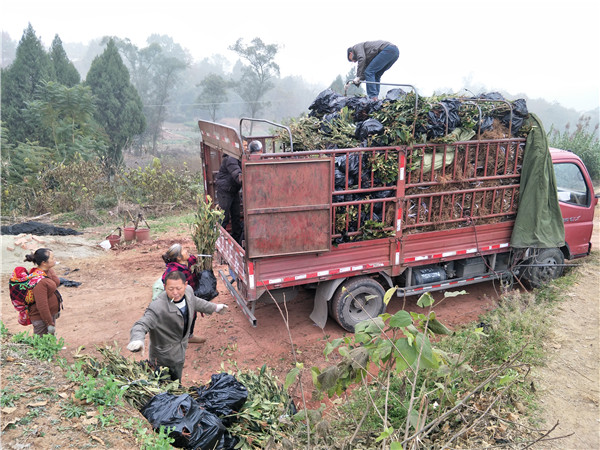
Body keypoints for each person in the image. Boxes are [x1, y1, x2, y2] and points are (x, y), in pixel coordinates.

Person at [127, 271, 228, 383]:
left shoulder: (188, 291)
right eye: (170, 289)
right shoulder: (157, 307)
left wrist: (214, 307)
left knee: (176, 383)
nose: (175, 293)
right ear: (164, 287)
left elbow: (195, 302)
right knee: (162, 386)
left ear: (185, 285)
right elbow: (141, 324)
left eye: (178, 288)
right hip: (162, 358)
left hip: (180, 351)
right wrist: (137, 339)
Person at [215, 140, 263, 245]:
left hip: (234, 190)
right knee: (224, 217)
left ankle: (236, 242)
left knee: (236, 217)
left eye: (246, 145)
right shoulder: (231, 158)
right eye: (243, 145)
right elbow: (238, 176)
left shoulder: (242, 157)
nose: (245, 148)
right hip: (225, 191)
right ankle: (217, 242)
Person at [161, 243, 205, 343]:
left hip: (191, 295)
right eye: (184, 250)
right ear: (179, 257)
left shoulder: (189, 261)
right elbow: (166, 281)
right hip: (180, 298)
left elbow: (195, 259)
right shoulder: (173, 271)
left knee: (192, 315)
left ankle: (189, 336)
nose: (186, 251)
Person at [25, 248, 63, 336]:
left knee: (49, 342)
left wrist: (49, 268)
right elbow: (42, 305)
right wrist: (49, 323)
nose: (55, 260)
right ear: (44, 263)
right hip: (41, 318)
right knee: (41, 345)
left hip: (49, 315)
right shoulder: (39, 281)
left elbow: (55, 283)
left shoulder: (46, 272)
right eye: (52, 258)